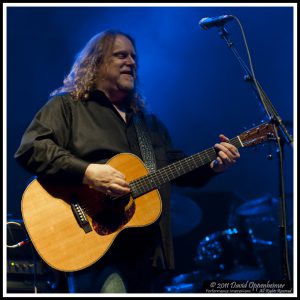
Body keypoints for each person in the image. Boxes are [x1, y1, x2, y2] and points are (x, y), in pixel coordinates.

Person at [14, 30, 240, 293]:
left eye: (134, 57)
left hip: (146, 254)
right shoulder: (68, 107)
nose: (131, 62)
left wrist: (214, 166)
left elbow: (177, 169)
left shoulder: (149, 124)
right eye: (121, 55)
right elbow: (31, 149)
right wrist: (88, 172)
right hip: (94, 249)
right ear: (96, 63)